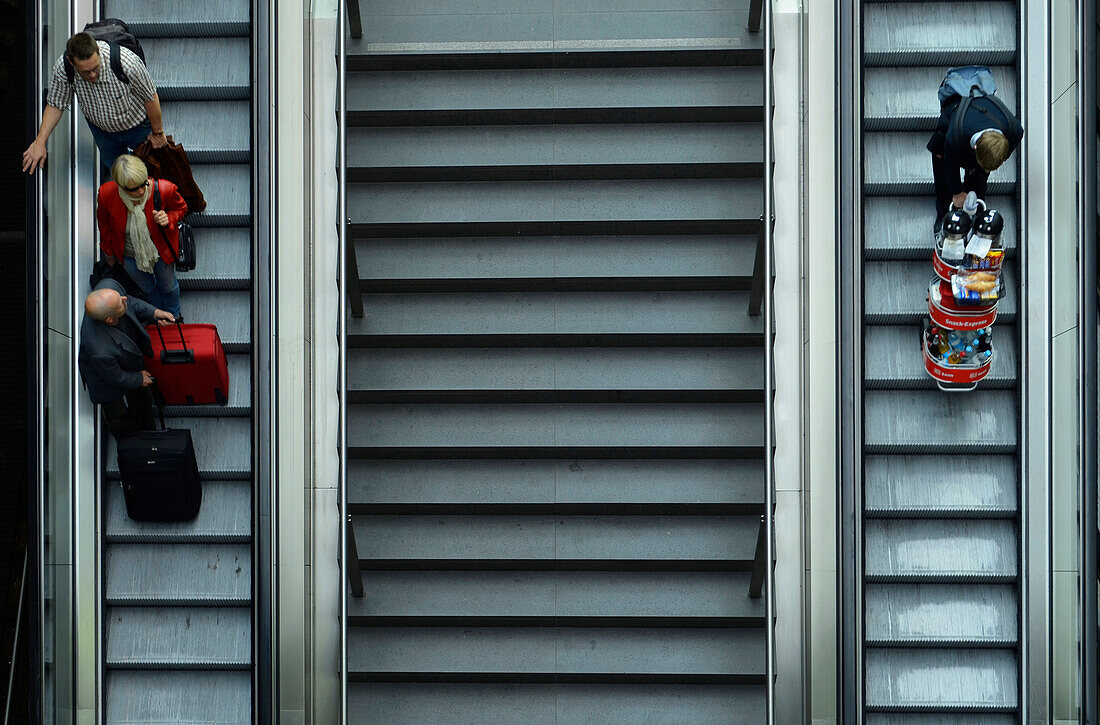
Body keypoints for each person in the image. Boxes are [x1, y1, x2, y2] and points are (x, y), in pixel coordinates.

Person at [22, 31, 168, 174]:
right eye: (85, 72)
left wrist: (158, 133)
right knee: (120, 175)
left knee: (152, 171)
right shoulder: (64, 69)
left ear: (98, 51)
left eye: (95, 68)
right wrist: (40, 142)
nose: (92, 75)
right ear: (71, 62)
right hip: (103, 133)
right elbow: (56, 104)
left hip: (137, 127)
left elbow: (150, 96)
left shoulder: (126, 63)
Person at [927, 66, 1023, 229]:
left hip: (980, 122)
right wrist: (957, 193)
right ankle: (944, 213)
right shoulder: (956, 135)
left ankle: (976, 212)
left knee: (978, 178)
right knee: (941, 162)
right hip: (954, 114)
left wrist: (984, 170)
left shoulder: (1013, 130)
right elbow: (950, 166)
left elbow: (1013, 140)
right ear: (976, 147)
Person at [79, 279, 175, 438]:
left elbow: (130, 301)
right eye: (120, 303)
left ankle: (147, 429)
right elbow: (117, 377)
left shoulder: (109, 288)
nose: (124, 299)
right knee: (118, 416)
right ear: (109, 319)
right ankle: (128, 442)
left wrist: (155, 313)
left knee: (140, 401)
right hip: (107, 383)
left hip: (124, 358)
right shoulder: (99, 349)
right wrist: (138, 378)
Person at [97, 154, 187, 317]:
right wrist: (108, 253)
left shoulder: (165, 189)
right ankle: (157, 314)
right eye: (133, 189)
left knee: (168, 287)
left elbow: (181, 209)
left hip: (161, 251)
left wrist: (169, 218)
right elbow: (105, 227)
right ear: (120, 186)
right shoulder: (107, 194)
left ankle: (174, 315)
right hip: (129, 254)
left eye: (143, 184)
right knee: (146, 288)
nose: (140, 191)